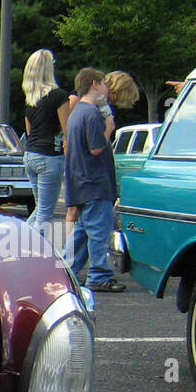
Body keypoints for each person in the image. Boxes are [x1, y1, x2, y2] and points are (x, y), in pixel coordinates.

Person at [64, 67, 125, 292]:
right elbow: (97, 147)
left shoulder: (76, 113)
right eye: (105, 84)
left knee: (81, 231)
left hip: (80, 183)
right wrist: (108, 129)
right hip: (95, 183)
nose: (108, 89)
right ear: (94, 84)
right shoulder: (91, 114)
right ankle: (99, 275)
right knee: (99, 231)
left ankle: (66, 269)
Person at [21, 49, 71, 236]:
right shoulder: (58, 95)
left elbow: (29, 131)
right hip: (50, 155)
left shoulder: (30, 99)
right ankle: (33, 250)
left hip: (31, 154)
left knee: (40, 207)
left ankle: (22, 239)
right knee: (45, 211)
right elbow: (67, 129)